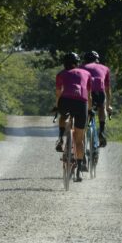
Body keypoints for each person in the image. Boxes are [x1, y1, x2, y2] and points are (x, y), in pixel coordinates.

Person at [54, 52, 92, 182]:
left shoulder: (61, 74)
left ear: (64, 63)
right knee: (79, 140)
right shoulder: (86, 74)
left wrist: (56, 106)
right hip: (82, 104)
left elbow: (59, 92)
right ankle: (79, 173)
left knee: (63, 116)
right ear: (77, 63)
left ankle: (60, 139)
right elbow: (89, 95)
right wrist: (90, 109)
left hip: (65, 101)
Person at [80, 51, 112, 147]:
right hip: (99, 92)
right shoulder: (105, 68)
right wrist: (108, 106)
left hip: (86, 92)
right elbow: (107, 89)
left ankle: (83, 135)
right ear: (97, 60)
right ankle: (101, 131)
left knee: (86, 112)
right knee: (101, 107)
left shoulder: (81, 68)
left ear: (85, 61)